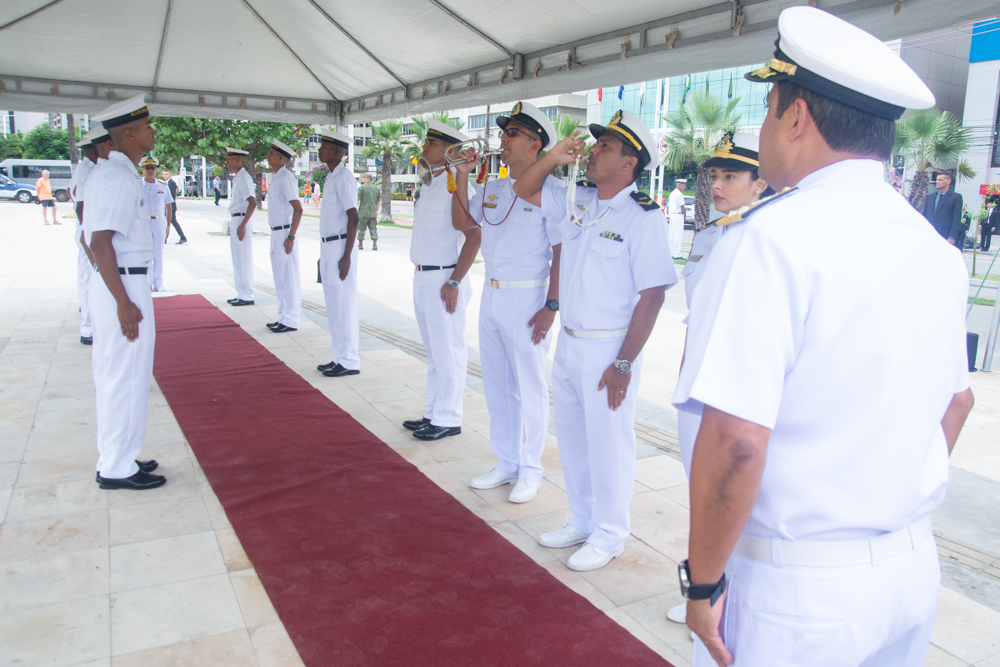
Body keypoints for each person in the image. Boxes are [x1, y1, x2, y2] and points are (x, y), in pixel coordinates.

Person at [673, 8, 973, 666]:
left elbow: (739, 438)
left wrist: (704, 579)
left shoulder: (769, 239)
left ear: (797, 117)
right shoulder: (935, 249)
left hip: (796, 589)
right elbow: (957, 403)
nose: (764, 127)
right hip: (908, 567)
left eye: (769, 107)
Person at [512, 110, 676, 571]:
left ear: (628, 163)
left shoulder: (644, 218)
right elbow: (523, 187)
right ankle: (583, 519)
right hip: (571, 341)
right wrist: (555, 155)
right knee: (574, 439)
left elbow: (653, 296)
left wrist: (624, 363)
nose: (594, 150)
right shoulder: (578, 199)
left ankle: (610, 532)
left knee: (609, 442)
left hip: (610, 347)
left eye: (605, 147)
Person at [666, 131, 774, 626]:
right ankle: (707, 581)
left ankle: (723, 592)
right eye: (715, 175)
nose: (718, 184)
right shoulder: (713, 235)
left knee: (731, 495)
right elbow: (698, 317)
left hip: (734, 394)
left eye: (732, 176)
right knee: (699, 488)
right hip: (699, 386)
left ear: (761, 183)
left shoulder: (763, 240)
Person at [451, 101, 561, 505]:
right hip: (493, 294)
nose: (503, 139)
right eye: (505, 132)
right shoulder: (494, 188)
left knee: (529, 387)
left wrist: (552, 305)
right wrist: (461, 176)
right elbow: (463, 224)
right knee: (497, 383)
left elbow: (561, 250)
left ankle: (531, 468)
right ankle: (508, 460)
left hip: (528, 296)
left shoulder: (553, 192)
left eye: (512, 133)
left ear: (536, 146)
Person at [84, 93, 167, 491]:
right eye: (148, 126)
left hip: (122, 280)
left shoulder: (117, 172)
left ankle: (122, 455)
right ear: (129, 134)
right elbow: (100, 243)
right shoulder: (118, 176)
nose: (153, 132)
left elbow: (93, 243)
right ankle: (116, 467)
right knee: (123, 375)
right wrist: (123, 302)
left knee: (125, 374)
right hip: (123, 283)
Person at [401, 119, 480, 442]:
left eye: (431, 143)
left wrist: (456, 281)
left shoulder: (460, 188)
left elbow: (474, 238)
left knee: (448, 350)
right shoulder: (431, 185)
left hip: (445, 279)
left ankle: (449, 417)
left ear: (450, 152)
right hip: (423, 276)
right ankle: (434, 412)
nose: (424, 147)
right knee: (434, 351)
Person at [314, 129, 362, 378]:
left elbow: (353, 218)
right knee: (333, 305)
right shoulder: (331, 176)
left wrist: (347, 255)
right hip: (329, 246)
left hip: (341, 246)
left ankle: (350, 360)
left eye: (324, 146)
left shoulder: (343, 177)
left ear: (338, 151)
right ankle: (339, 356)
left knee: (344, 304)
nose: (320, 150)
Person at [265, 139, 303, 333]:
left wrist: (291, 236)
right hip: (276, 231)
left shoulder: (286, 177)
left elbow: (298, 209)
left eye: (272, 154)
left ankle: (291, 319)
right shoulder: (277, 177)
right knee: (280, 278)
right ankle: (283, 315)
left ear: (281, 158)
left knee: (288, 278)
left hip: (284, 232)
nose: (268, 156)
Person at [70, 139, 99, 345]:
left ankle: (88, 322)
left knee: (85, 277)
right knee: (91, 277)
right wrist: (88, 233)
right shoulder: (89, 170)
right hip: (90, 231)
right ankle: (88, 328)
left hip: (87, 229)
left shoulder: (84, 167)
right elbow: (81, 205)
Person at [224, 147, 257, 306]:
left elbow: (252, 202)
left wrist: (243, 224)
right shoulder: (237, 177)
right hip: (237, 219)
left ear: (238, 160)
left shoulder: (243, 177)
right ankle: (241, 292)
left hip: (242, 219)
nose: (227, 161)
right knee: (237, 258)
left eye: (230, 158)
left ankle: (247, 294)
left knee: (243, 258)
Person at [138, 155, 173, 292]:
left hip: (159, 221)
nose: (150, 170)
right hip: (144, 222)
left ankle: (158, 282)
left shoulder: (163, 186)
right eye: (147, 168)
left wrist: (168, 225)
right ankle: (147, 282)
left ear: (156, 170)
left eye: (152, 168)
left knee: (158, 253)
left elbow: (168, 206)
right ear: (142, 170)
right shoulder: (138, 185)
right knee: (146, 254)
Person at [921, 171, 963, 247]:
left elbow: (956, 219)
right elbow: (924, 215)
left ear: (948, 181)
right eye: (937, 180)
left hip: (944, 234)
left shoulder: (955, 197)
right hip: (929, 233)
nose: (937, 182)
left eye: (940, 180)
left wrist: (952, 237)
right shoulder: (930, 197)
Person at [162, 169, 187, 244]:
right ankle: (164, 239)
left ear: (170, 175)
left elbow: (171, 195)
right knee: (166, 223)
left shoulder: (171, 183)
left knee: (172, 222)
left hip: (171, 207)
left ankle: (182, 237)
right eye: (163, 174)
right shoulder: (165, 183)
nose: (164, 176)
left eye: (166, 174)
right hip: (166, 207)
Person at [357, 173, 380, 250]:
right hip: (372, 212)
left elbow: (358, 200)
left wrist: (355, 209)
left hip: (363, 212)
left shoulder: (361, 188)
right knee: (373, 228)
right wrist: (376, 210)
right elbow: (378, 201)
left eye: (363, 177)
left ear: (366, 178)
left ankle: (360, 244)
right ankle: (374, 244)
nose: (363, 178)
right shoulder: (376, 188)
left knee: (361, 228)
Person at [667, 178, 686, 258]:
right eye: (684, 185)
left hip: (672, 215)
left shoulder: (673, 193)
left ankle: (671, 253)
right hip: (677, 215)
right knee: (678, 235)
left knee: (671, 235)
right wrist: (685, 215)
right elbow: (682, 206)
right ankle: (677, 254)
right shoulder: (679, 194)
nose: (685, 187)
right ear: (679, 185)